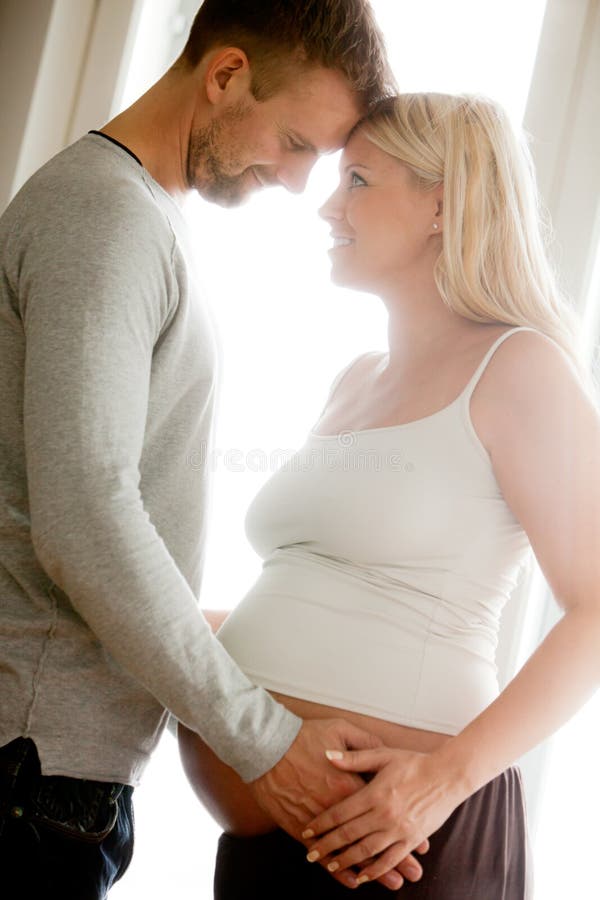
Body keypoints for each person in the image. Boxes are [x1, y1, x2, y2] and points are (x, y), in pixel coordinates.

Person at [0, 2, 419, 897]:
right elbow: (85, 519)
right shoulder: (105, 219)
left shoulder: (136, 217)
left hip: (51, 771)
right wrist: (265, 741)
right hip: (29, 774)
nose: (303, 184)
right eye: (299, 141)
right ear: (225, 75)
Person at [178, 91, 600, 898]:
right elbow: (332, 598)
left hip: (404, 843)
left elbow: (598, 606)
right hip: (274, 840)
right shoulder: (355, 379)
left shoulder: (518, 368)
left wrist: (440, 781)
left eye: (359, 181)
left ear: (442, 205)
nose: (328, 207)